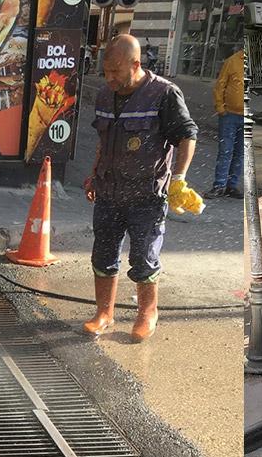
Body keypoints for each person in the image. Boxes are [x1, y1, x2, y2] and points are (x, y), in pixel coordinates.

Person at [84, 34, 202, 343]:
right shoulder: (104, 96)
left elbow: (187, 135)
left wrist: (178, 179)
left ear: (136, 64)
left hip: (146, 196)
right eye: (106, 71)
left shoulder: (163, 94)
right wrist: (94, 174)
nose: (109, 78)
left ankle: (147, 313)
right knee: (103, 253)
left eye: (116, 72)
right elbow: (102, 141)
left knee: (144, 258)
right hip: (109, 192)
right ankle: (104, 313)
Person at [207, 47, 245, 199]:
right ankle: (219, 185)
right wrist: (220, 108)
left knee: (240, 153)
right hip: (229, 115)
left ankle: (232, 186)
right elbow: (220, 85)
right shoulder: (232, 61)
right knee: (225, 151)